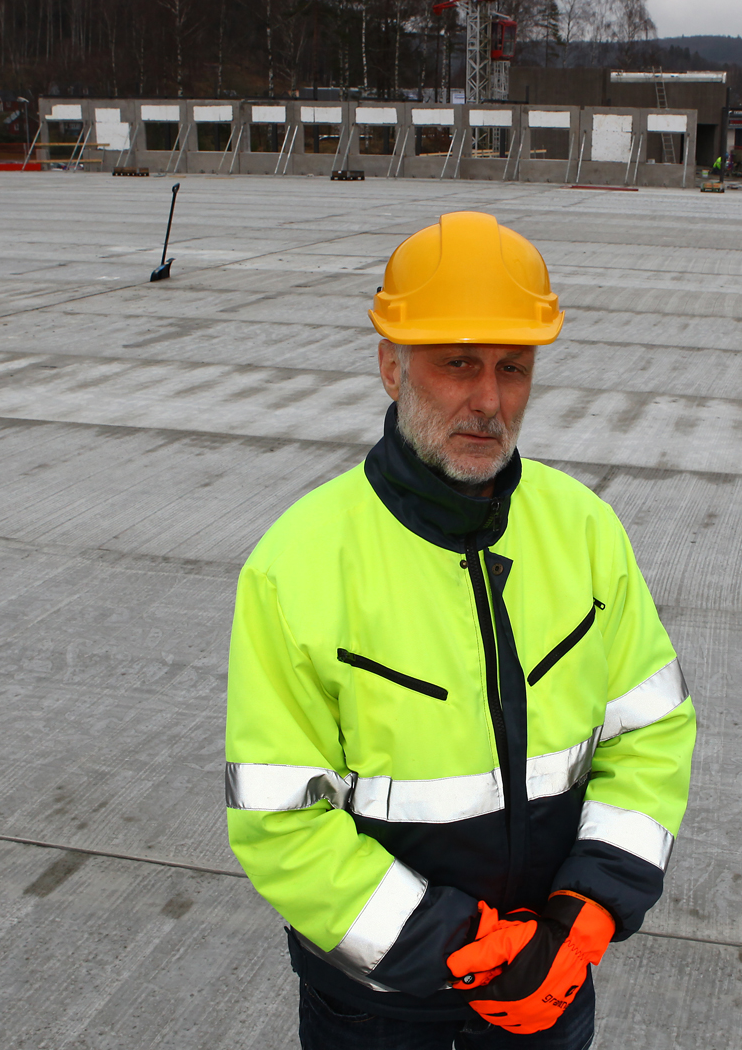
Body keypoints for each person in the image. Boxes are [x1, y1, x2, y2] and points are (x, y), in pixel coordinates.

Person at [225, 211, 696, 1049]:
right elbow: (282, 820)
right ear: (391, 366)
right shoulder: (296, 565)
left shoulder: (586, 531)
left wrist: (584, 912)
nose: (488, 401)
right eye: (458, 364)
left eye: (513, 368)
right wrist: (466, 948)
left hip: (548, 985)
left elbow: (650, 733)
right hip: (378, 1007)